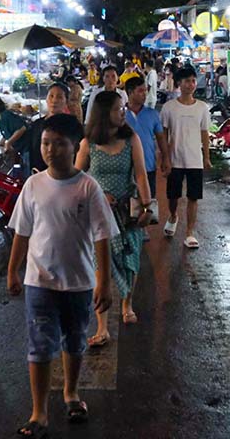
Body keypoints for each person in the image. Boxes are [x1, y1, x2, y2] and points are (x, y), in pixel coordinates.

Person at [6, 114, 115, 438]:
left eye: (59, 144)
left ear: (75, 146)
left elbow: (102, 236)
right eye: (45, 143)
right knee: (39, 346)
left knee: (74, 340)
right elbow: (22, 233)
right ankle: (38, 413)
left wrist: (104, 281)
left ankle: (71, 393)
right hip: (39, 281)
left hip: (79, 283)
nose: (50, 150)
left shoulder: (87, 187)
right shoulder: (33, 185)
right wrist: (13, 270)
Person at [77, 91, 153, 344]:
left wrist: (147, 206)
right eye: (118, 109)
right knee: (101, 268)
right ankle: (101, 326)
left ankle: (127, 303)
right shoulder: (88, 143)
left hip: (126, 213)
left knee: (130, 260)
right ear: (103, 114)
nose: (123, 112)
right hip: (98, 216)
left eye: (123, 109)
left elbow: (141, 175)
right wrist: (96, 195)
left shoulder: (131, 139)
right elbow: (78, 176)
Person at [161, 67, 211, 249]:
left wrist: (207, 156)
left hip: (194, 159)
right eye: (186, 81)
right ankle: (173, 216)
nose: (190, 85)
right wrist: (165, 158)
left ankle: (189, 232)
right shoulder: (169, 108)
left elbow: (205, 133)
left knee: (193, 197)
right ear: (179, 84)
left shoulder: (202, 108)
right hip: (175, 159)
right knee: (173, 196)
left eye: (193, 81)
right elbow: (164, 134)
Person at [10, 82, 71, 174]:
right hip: (38, 174)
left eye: (59, 97)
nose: (54, 100)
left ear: (66, 101)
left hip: (62, 177)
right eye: (51, 96)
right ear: (46, 99)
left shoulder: (70, 126)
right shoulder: (37, 124)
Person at [124, 75, 170, 197]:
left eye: (145, 91)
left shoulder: (152, 114)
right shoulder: (120, 115)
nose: (144, 94)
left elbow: (161, 138)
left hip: (148, 165)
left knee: (148, 201)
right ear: (130, 92)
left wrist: (165, 158)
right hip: (124, 167)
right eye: (140, 91)